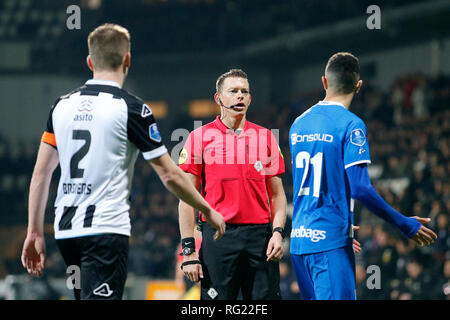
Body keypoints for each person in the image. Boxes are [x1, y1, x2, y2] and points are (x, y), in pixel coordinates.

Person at [21, 23, 225, 300]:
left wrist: (34, 231)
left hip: (66, 231)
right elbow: (169, 175)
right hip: (104, 231)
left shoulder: (61, 105)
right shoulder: (131, 108)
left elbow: (41, 174)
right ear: (127, 59)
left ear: (90, 62)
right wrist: (207, 209)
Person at [289, 52, 438, 300]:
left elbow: (314, 185)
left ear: (324, 82)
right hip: (330, 245)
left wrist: (343, 224)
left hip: (299, 243)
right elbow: (360, 188)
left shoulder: (298, 123)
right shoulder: (351, 124)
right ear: (359, 86)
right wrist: (404, 223)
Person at [178, 69, 287, 300]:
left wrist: (277, 233)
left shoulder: (266, 137)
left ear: (250, 99)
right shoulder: (199, 137)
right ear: (218, 99)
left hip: (260, 239)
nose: (240, 96)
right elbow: (186, 199)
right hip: (218, 236)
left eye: (244, 92)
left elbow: (277, 195)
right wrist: (188, 252)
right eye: (233, 91)